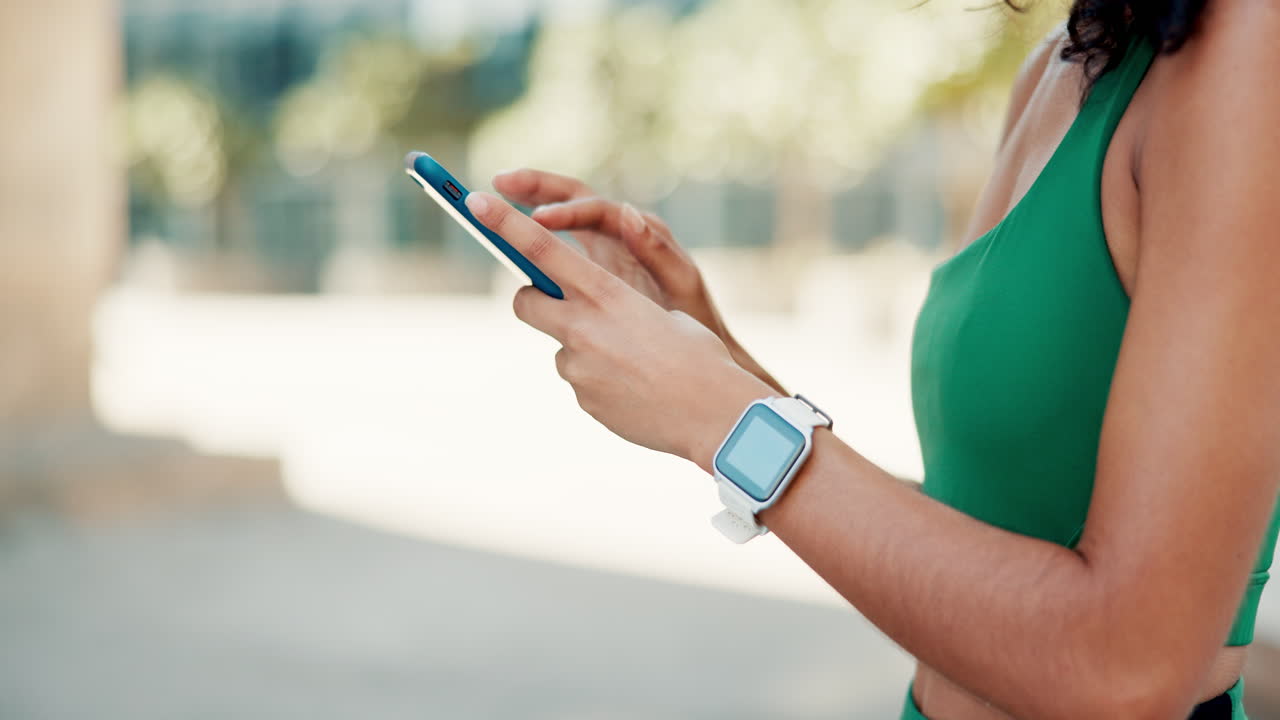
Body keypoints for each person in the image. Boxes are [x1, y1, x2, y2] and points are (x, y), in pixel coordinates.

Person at [462, 0, 1280, 717]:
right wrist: (720, 365)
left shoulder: (1246, 53)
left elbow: (1125, 673)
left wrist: (722, 417)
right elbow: (978, 537)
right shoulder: (1064, 65)